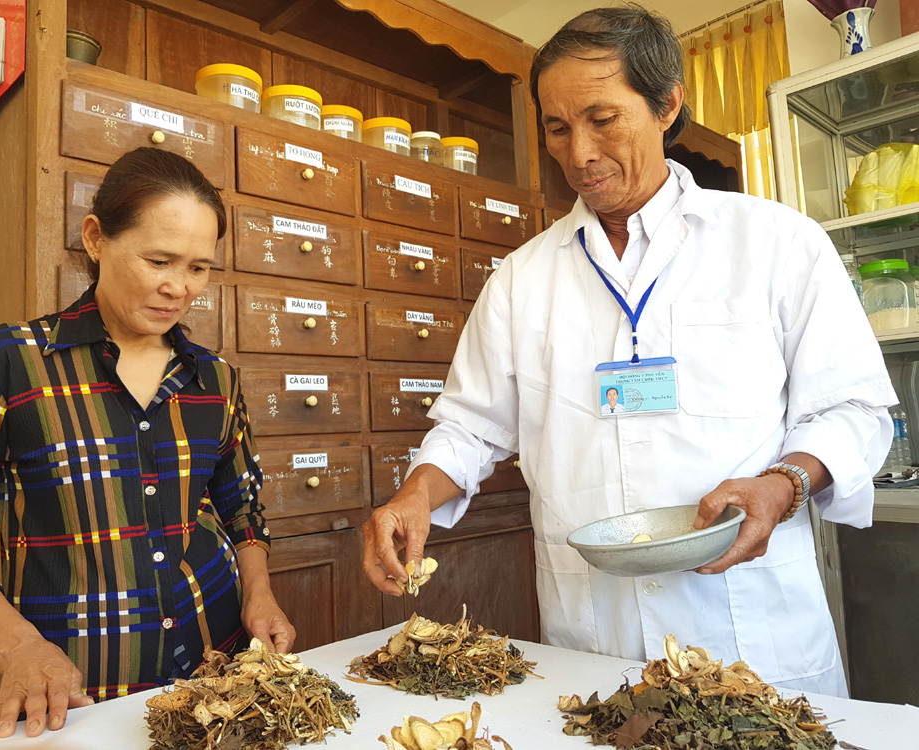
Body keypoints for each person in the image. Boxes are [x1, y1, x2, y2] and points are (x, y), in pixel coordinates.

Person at [362, 7, 896, 697]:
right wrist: (413, 496)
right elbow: (469, 426)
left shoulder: (775, 243)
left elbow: (853, 408)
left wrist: (784, 483)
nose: (578, 152)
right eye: (557, 127)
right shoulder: (524, 278)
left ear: (667, 102)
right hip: (596, 638)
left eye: (602, 119)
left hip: (751, 630)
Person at [0, 148, 295, 737]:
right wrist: (17, 647)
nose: (179, 288)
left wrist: (260, 595)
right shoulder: (8, 363)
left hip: (217, 666)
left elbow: (241, 508)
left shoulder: (215, 380)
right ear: (96, 238)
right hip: (75, 685)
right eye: (159, 260)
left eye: (199, 268)